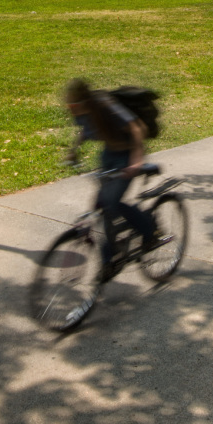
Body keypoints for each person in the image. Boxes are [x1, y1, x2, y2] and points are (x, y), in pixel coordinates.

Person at [63, 79, 160, 278]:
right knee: (102, 206)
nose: (70, 109)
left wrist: (136, 161)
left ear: (83, 102)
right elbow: (86, 129)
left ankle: (150, 231)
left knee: (112, 201)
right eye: (68, 105)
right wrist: (74, 151)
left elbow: (136, 127)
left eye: (72, 105)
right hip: (108, 154)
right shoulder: (82, 112)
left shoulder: (106, 106)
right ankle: (111, 257)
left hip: (127, 155)